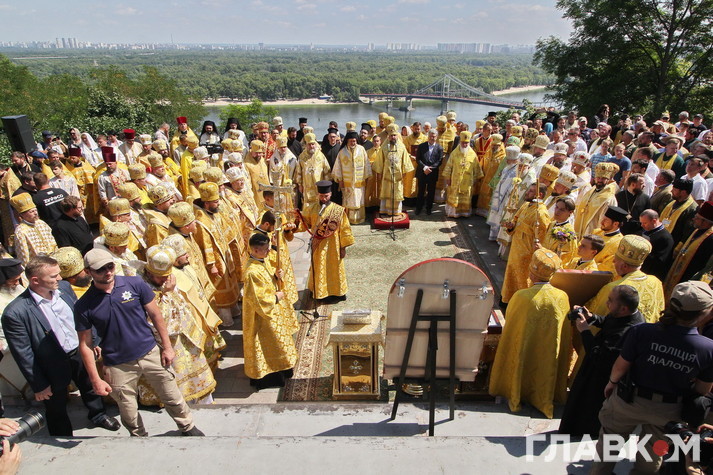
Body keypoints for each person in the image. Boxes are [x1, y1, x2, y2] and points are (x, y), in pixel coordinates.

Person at [74, 248, 204, 437]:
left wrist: (167, 347)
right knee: (127, 408)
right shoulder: (84, 305)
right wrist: (96, 380)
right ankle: (138, 436)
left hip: (150, 353)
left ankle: (188, 426)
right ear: (88, 272)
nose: (107, 272)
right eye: (100, 269)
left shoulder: (134, 284)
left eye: (110, 266)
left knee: (172, 395)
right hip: (118, 364)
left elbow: (156, 315)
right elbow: (85, 345)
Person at [591, 281, 713, 474]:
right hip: (669, 411)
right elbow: (702, 390)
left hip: (628, 400)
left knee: (608, 446)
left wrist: (612, 383)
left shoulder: (642, 331)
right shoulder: (708, 349)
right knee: (652, 455)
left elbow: (620, 366)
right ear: (704, 313)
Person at [1, 255, 120, 436]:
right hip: (51, 363)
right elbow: (23, 353)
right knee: (55, 402)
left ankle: (98, 415)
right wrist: (39, 384)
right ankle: (61, 433)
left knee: (89, 386)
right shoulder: (16, 312)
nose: (60, 278)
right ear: (35, 280)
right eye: (53, 276)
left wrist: (93, 341)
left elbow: (83, 316)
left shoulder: (64, 288)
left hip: (78, 352)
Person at [489, 249, 570, 418]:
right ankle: (544, 399)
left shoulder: (522, 296)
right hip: (548, 352)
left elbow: (511, 325)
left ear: (532, 273)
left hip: (526, 348)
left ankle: (516, 394)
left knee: (521, 359)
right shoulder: (562, 296)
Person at [559, 285, 644, 437]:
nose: (607, 303)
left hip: (600, 379)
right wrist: (591, 317)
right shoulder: (623, 314)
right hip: (593, 370)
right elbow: (607, 321)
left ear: (624, 308)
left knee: (585, 411)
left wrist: (585, 331)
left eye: (610, 301)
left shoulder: (626, 331)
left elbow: (600, 358)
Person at [138, 246, 216, 405]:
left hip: (185, 337)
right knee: (175, 384)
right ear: (150, 273)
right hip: (165, 344)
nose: (166, 280)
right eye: (162, 277)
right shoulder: (141, 287)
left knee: (197, 375)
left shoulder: (166, 281)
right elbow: (158, 320)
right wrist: (166, 293)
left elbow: (180, 305)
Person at [242, 233, 297, 390]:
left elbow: (268, 281)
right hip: (261, 316)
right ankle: (269, 376)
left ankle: (283, 368)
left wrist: (276, 276)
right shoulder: (252, 272)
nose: (269, 251)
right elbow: (258, 299)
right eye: (266, 249)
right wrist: (276, 297)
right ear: (255, 250)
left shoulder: (262, 261)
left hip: (272, 311)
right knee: (270, 343)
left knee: (278, 341)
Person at [586, 234, 665, 323]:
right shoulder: (656, 282)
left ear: (624, 266)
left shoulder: (614, 288)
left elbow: (595, 317)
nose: (613, 261)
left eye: (615, 259)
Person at [297, 181, 354, 303]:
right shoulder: (312, 208)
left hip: (334, 246)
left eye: (326, 196)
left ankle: (337, 292)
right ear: (318, 194)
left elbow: (345, 229)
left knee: (334, 268)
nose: (324, 198)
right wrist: (298, 218)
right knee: (319, 268)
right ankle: (320, 292)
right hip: (318, 245)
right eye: (321, 196)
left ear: (331, 194)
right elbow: (305, 223)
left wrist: (343, 248)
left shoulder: (338, 210)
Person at [500, 183, 552, 306]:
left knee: (522, 280)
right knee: (511, 274)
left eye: (531, 191)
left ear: (539, 195)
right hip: (515, 249)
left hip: (526, 254)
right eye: (528, 190)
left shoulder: (541, 213)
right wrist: (511, 226)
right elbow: (515, 220)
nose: (527, 192)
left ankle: (519, 304)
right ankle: (507, 298)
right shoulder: (526, 205)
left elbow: (542, 238)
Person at [663, 201, 713, 298]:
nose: (694, 219)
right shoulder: (697, 230)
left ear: (705, 222)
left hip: (689, 275)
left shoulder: (710, 239)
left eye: (697, 218)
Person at [371, 124, 415, 216]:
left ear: (397, 136)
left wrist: (404, 172)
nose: (393, 137)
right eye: (391, 136)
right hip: (386, 175)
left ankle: (396, 211)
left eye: (394, 135)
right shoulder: (384, 147)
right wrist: (379, 172)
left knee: (397, 192)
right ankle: (385, 210)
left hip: (398, 176)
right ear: (388, 136)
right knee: (386, 192)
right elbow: (380, 161)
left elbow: (405, 160)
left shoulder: (401, 147)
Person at [332, 131, 372, 224]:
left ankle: (360, 218)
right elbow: (338, 167)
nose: (353, 143)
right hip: (347, 183)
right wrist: (340, 180)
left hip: (359, 181)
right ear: (347, 141)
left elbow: (366, 163)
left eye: (354, 141)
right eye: (351, 141)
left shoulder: (361, 149)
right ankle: (348, 219)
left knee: (359, 199)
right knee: (348, 201)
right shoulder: (342, 152)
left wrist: (367, 176)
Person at [442, 131, 484, 218]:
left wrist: (476, 179)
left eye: (466, 143)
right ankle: (453, 213)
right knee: (454, 196)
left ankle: (464, 213)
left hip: (467, 181)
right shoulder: (454, 153)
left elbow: (477, 168)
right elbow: (449, 166)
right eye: (463, 143)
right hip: (455, 180)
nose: (465, 145)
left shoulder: (473, 154)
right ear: (460, 142)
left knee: (466, 196)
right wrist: (448, 178)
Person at [9, 193, 57, 267]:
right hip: (38, 266)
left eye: (35, 210)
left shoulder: (41, 223)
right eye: (31, 212)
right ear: (22, 215)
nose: (35, 213)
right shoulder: (20, 231)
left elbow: (52, 240)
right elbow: (23, 255)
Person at [573, 162, 619, 238]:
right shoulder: (590, 191)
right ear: (594, 178)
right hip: (580, 226)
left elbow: (605, 220)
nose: (600, 180)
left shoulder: (609, 198)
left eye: (603, 178)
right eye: (598, 178)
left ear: (607, 180)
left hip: (593, 231)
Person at [294, 133, 331, 212]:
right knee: (307, 204)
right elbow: (298, 172)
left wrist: (326, 185)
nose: (311, 146)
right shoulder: (301, 156)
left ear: (315, 144)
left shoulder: (321, 156)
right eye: (309, 144)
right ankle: (307, 217)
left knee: (319, 203)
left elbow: (327, 170)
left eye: (313, 144)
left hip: (319, 185)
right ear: (306, 145)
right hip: (307, 185)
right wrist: (300, 185)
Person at [660, 178, 698, 246]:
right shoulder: (673, 202)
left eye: (674, 189)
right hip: (662, 238)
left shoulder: (692, 209)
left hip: (674, 243)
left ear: (683, 192)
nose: (671, 191)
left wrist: (678, 247)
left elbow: (687, 232)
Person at [414, 129, 444, 215]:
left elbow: (440, 161)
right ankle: (418, 208)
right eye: (430, 136)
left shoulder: (439, 148)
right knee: (421, 191)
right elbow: (418, 159)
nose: (432, 138)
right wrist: (425, 167)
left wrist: (431, 168)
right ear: (428, 136)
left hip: (432, 173)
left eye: (434, 136)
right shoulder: (421, 146)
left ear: (436, 137)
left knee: (431, 192)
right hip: (422, 172)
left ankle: (429, 208)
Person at [639, 209, 674, 281]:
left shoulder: (665, 238)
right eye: (641, 223)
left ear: (654, 221)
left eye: (645, 223)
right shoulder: (647, 230)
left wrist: (643, 251)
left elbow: (659, 262)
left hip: (650, 275)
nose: (642, 225)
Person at [591, 205, 627, 275]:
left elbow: (608, 267)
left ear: (615, 224)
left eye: (606, 220)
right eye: (603, 219)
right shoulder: (596, 232)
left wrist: (586, 263)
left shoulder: (618, 243)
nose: (601, 222)